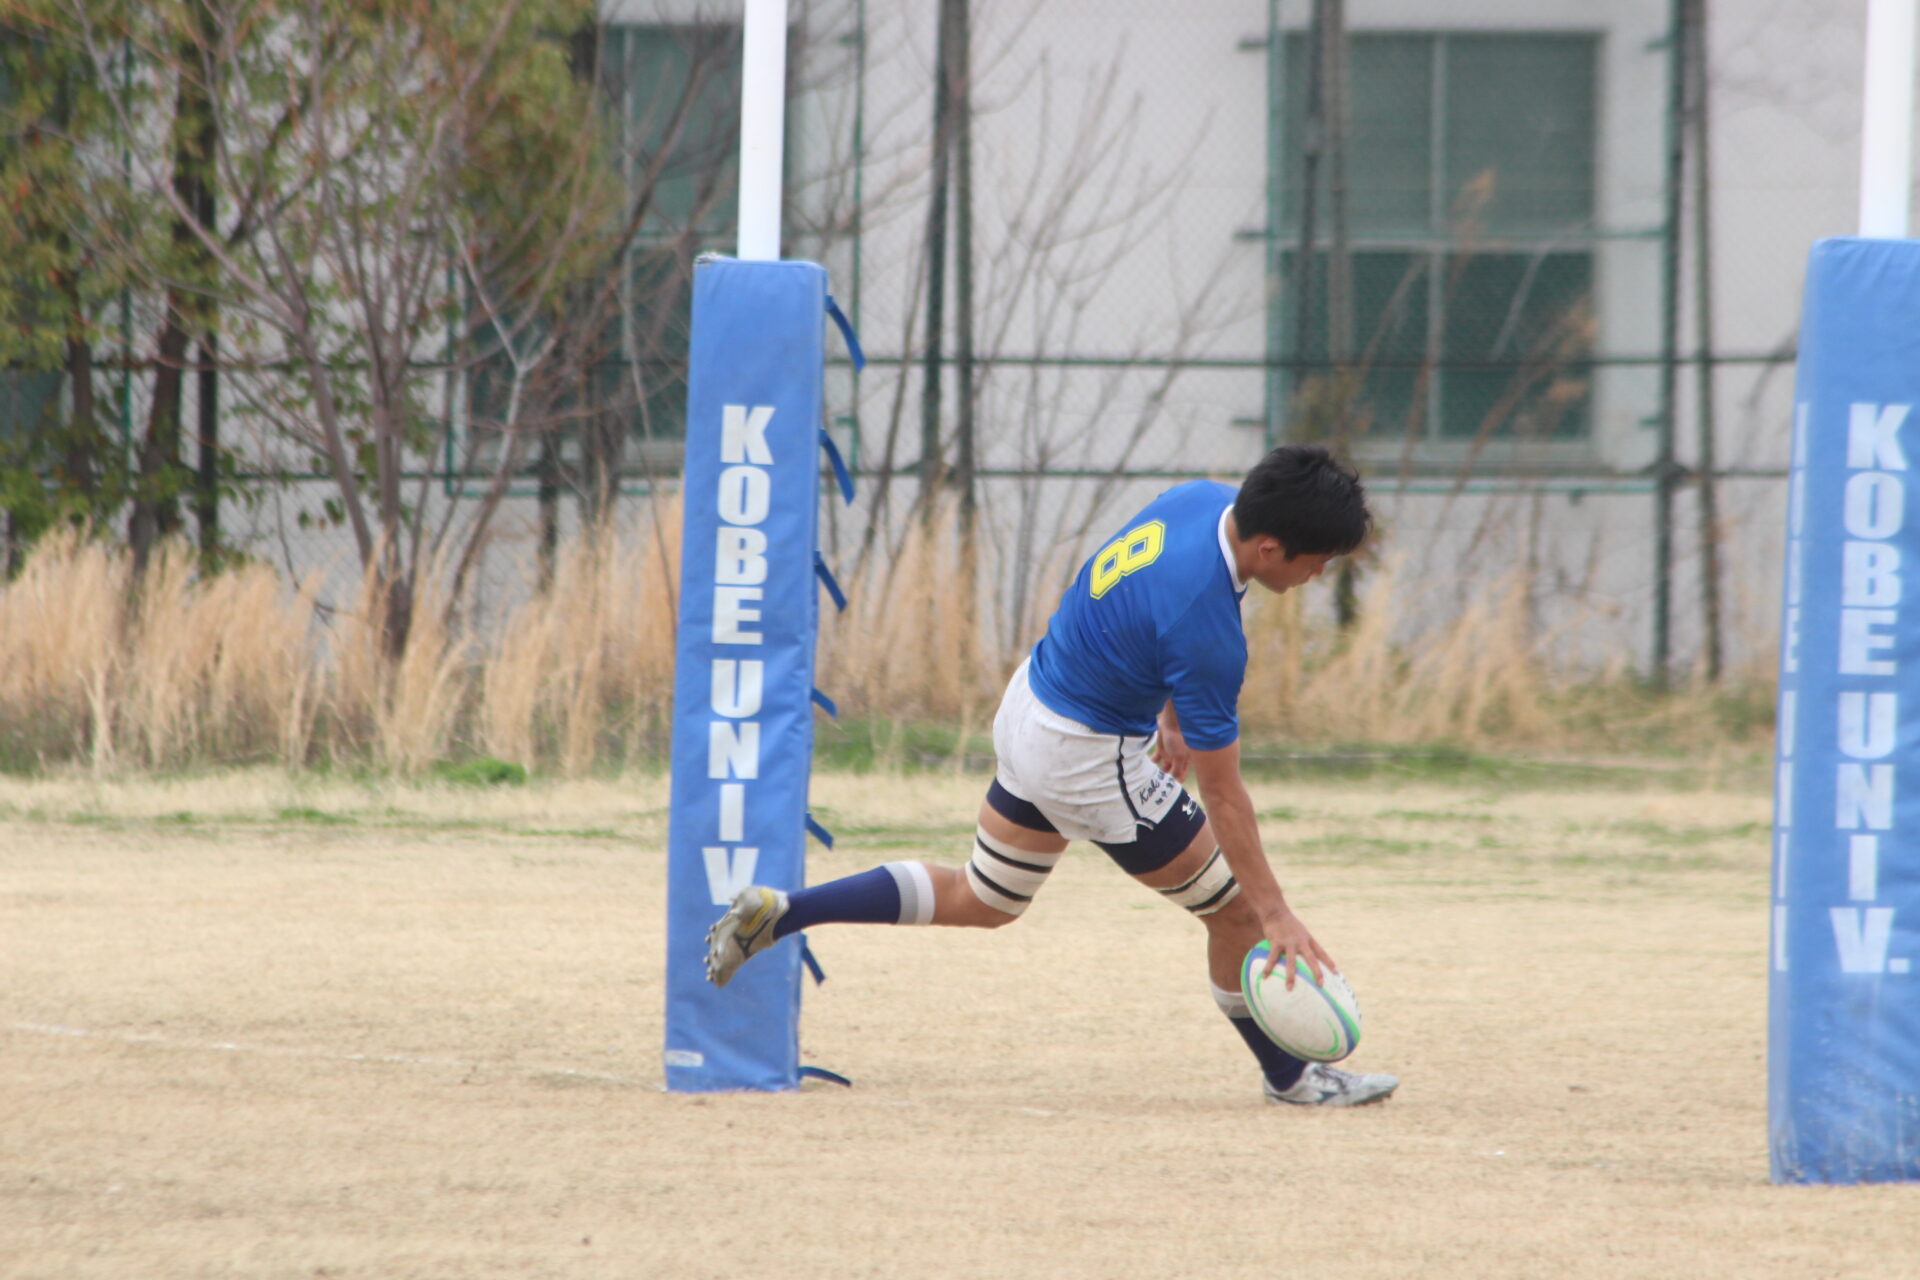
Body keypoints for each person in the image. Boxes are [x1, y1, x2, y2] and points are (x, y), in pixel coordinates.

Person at [706, 444, 1399, 1107]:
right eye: (1318, 562)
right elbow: (1223, 792)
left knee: (983, 898)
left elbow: (1147, 608)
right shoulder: (1208, 628)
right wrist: (1278, 913)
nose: (1318, 576)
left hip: (1033, 701)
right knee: (1238, 909)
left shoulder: (1201, 501)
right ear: (1270, 548)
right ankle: (1292, 1079)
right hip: (1085, 755)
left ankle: (783, 913)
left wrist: (1172, 718)